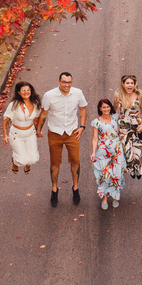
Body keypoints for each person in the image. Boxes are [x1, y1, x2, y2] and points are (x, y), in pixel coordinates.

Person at [39, 72, 88, 206]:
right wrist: (38, 130)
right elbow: (43, 114)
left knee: (75, 161)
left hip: (72, 132)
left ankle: (76, 188)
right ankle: (54, 189)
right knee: (55, 163)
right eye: (64, 82)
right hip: (55, 133)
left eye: (69, 82)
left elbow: (83, 109)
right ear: (59, 82)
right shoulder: (49, 96)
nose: (67, 85)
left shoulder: (77, 93)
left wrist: (82, 126)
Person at [90, 98, 126, 210]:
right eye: (104, 107)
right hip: (103, 151)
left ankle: (115, 196)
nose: (106, 109)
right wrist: (93, 152)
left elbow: (122, 109)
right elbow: (95, 138)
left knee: (116, 173)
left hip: (116, 149)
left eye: (108, 106)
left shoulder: (115, 117)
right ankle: (104, 197)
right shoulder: (96, 122)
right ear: (100, 108)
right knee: (103, 174)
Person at [2, 81, 42, 174]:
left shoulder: (35, 103)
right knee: (22, 161)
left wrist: (38, 130)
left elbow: (36, 119)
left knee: (33, 160)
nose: (26, 92)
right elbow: (6, 121)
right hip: (16, 134)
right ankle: (15, 162)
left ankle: (27, 162)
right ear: (19, 92)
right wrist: (5, 135)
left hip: (30, 133)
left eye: (28, 90)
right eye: (23, 90)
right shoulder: (13, 105)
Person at [114, 75, 142, 180]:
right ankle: (131, 168)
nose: (130, 85)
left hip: (137, 128)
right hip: (124, 129)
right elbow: (115, 112)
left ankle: (138, 168)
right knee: (128, 154)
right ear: (123, 85)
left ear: (134, 84)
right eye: (127, 83)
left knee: (138, 153)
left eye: (132, 83)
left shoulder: (139, 95)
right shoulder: (118, 96)